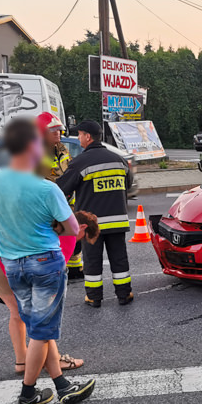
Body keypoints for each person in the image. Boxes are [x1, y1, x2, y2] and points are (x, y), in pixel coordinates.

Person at [0, 118, 95, 404]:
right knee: (42, 332)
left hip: (12, 265)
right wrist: (80, 229)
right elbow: (72, 228)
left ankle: (61, 385)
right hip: (44, 264)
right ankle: (28, 394)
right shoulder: (47, 189)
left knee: (37, 325)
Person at [0, 211, 99, 375]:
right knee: (42, 316)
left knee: (18, 314)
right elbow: (54, 271)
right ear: (82, 227)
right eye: (83, 237)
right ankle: (55, 361)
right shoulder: (68, 233)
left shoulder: (49, 221)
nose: (79, 241)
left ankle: (22, 362)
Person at [57, 120, 133, 307]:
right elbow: (128, 184)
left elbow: (61, 188)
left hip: (92, 224)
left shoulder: (80, 162)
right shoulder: (119, 160)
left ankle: (94, 297)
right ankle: (124, 295)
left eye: (80, 134)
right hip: (117, 221)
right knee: (119, 259)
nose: (78, 138)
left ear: (88, 137)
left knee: (92, 260)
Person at [37, 112, 84, 281]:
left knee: (72, 236)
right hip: (48, 206)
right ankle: (52, 272)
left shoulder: (61, 148)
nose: (58, 133)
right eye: (53, 130)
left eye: (59, 129)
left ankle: (74, 269)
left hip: (68, 203)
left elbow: (69, 170)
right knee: (52, 240)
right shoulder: (36, 152)